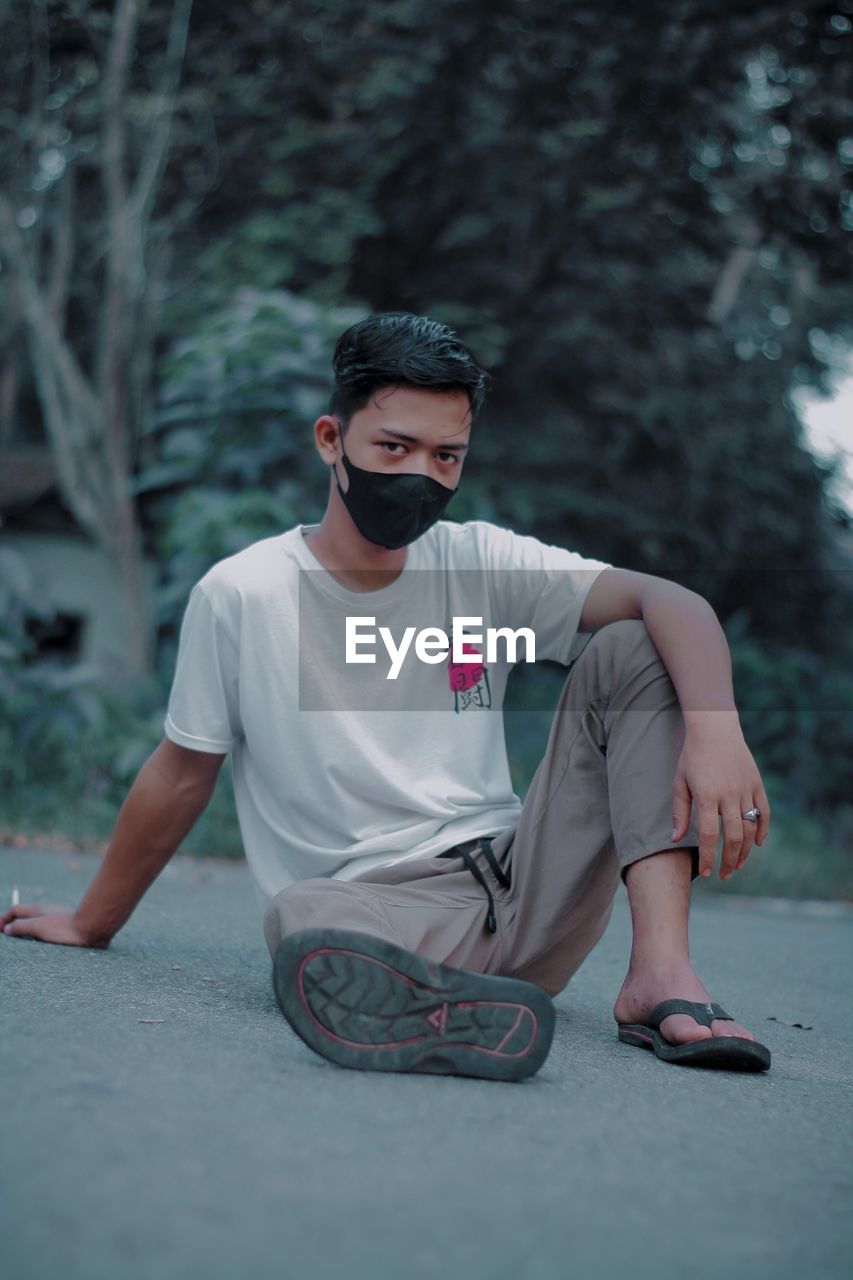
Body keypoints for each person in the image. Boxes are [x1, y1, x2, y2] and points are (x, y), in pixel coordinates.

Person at [1, 312, 772, 1080]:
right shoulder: (242, 593)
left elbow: (673, 602)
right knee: (299, 914)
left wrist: (716, 737)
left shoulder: (479, 562)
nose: (420, 476)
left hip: (527, 879)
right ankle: (452, 1006)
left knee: (637, 644)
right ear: (331, 440)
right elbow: (180, 771)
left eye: (446, 456)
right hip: (375, 910)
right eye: (394, 447)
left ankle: (657, 978)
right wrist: (91, 921)